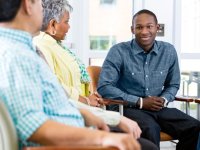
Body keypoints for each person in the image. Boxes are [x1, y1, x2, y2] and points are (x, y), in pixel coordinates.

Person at [0, 0, 141, 149]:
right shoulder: (16, 55)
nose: (43, 13)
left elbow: (53, 100)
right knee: (141, 145)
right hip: (64, 143)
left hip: (76, 129)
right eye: (40, 5)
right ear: (28, 4)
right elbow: (32, 126)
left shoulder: (21, 49)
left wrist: (86, 114)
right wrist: (101, 138)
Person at [33, 1, 159, 150]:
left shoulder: (56, 45)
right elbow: (57, 88)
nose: (69, 26)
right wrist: (86, 100)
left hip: (86, 110)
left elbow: (72, 83)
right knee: (144, 143)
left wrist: (91, 96)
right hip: (76, 116)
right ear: (53, 24)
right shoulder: (42, 45)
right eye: (67, 22)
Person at [97, 9, 200, 150]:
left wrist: (163, 99)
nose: (144, 31)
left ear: (157, 28)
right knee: (151, 129)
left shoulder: (168, 51)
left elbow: (173, 84)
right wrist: (140, 102)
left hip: (157, 107)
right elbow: (104, 87)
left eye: (149, 26)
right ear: (132, 29)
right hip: (127, 108)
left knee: (193, 126)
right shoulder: (118, 51)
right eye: (139, 27)